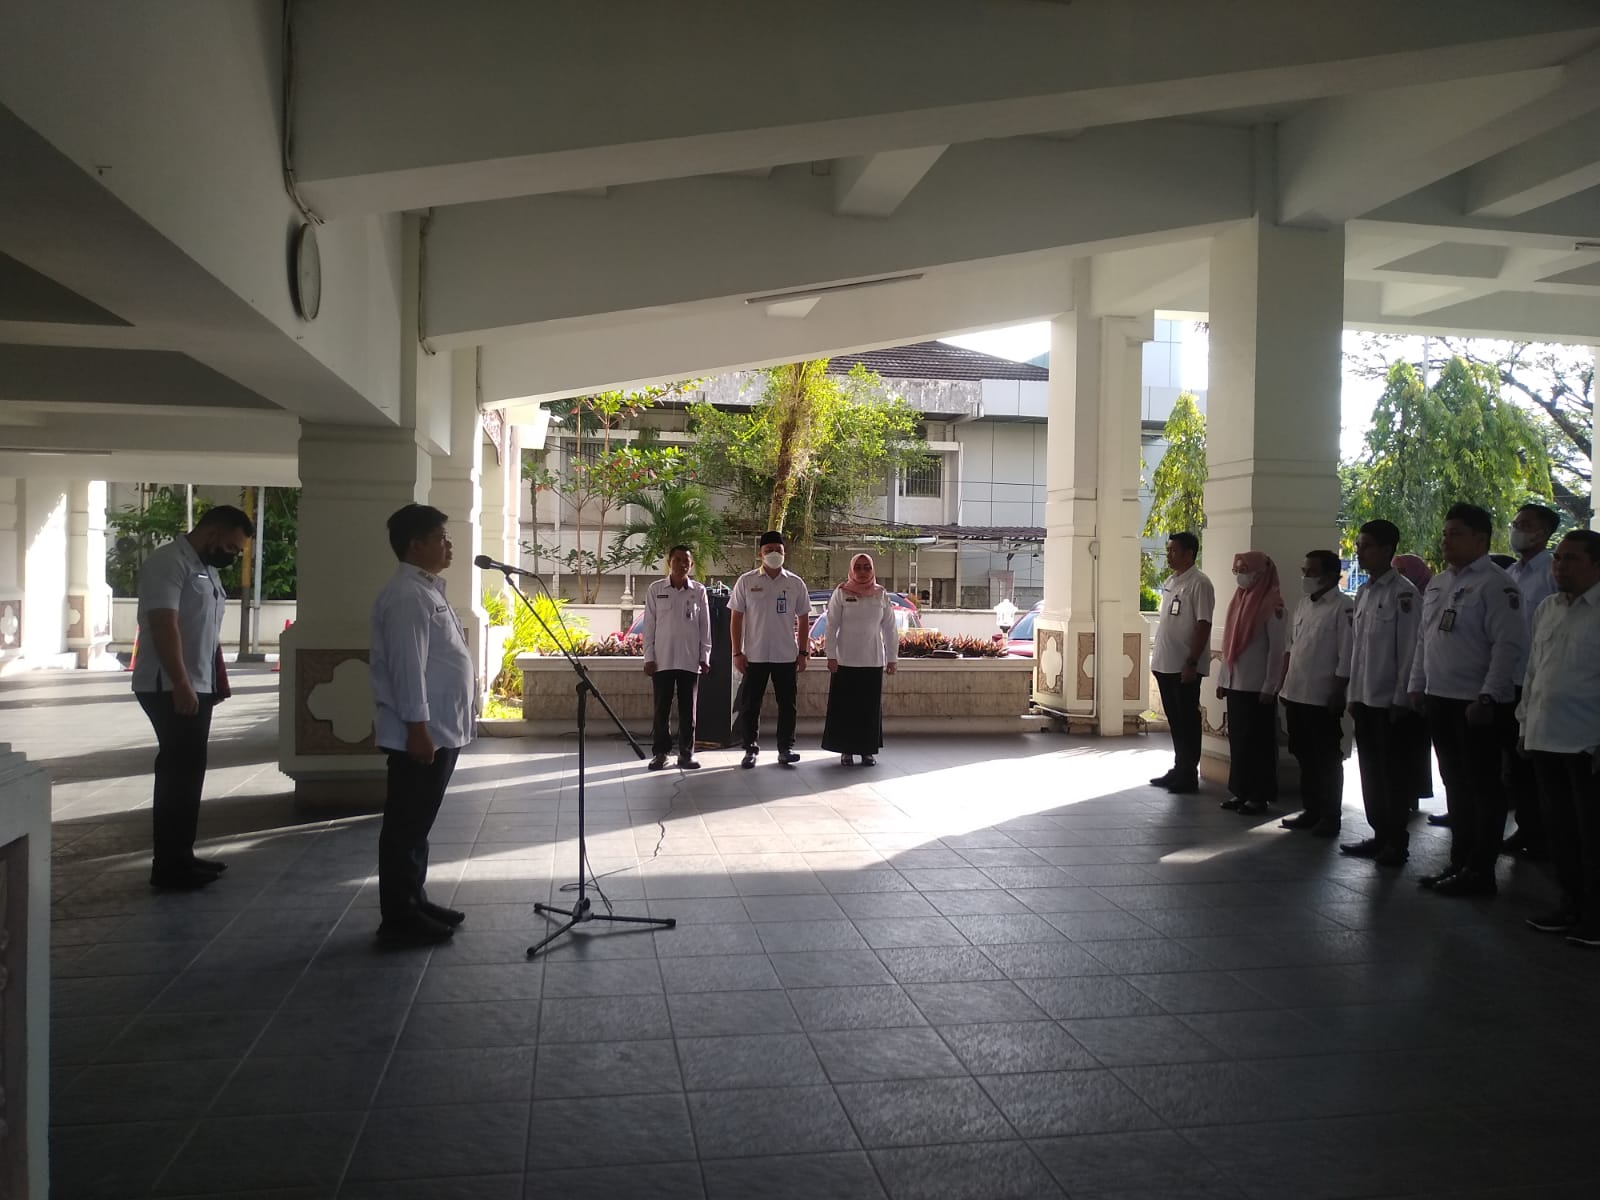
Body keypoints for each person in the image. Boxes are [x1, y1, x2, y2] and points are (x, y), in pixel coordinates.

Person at [370, 504, 477, 947]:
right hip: (420, 733)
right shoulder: (406, 596)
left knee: (418, 825)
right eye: (441, 538)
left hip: (438, 729)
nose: (449, 545)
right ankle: (399, 918)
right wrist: (417, 728)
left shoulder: (426, 589)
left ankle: (415, 900)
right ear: (416, 544)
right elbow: (407, 668)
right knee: (406, 826)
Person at [1407, 502, 1528, 898]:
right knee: (1455, 784)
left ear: (1480, 539)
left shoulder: (1496, 584)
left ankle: (1480, 869)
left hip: (1476, 703)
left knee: (1483, 787)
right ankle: (1459, 861)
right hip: (1440, 697)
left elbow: (1507, 647)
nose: (1446, 541)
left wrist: (1488, 696)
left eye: (1455, 534)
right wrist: (1417, 684)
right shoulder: (1440, 583)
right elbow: (1425, 639)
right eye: (1445, 534)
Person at [132, 504, 255, 889]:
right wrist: (182, 682)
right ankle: (168, 867)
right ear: (212, 533)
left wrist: (208, 682)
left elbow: (204, 631)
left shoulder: (205, 568)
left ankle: (181, 856)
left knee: (189, 772)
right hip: (169, 685)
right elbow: (163, 625)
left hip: (195, 683)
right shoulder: (169, 562)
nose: (232, 555)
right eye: (231, 547)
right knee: (177, 773)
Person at [1516, 530, 1600, 945]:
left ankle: (1595, 917)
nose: (1560, 567)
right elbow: (1534, 671)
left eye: (1572, 559)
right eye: (1558, 558)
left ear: (1596, 565)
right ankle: (1570, 905)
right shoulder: (1548, 608)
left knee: (1592, 835)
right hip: (1545, 736)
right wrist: (1524, 724)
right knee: (1560, 831)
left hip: (1587, 742)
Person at [1340, 520, 1423, 866]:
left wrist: (1402, 698)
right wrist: (1353, 694)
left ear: (1387, 550)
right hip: (1365, 696)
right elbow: (1358, 649)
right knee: (1371, 771)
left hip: (1390, 700)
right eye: (1359, 545)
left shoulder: (1404, 594)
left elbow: (1410, 649)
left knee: (1393, 774)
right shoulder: (1364, 592)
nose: (1359, 552)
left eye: (1367, 545)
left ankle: (1396, 840)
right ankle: (1379, 833)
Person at [1279, 550, 1353, 837]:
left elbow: (1346, 653)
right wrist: (1285, 685)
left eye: (1311, 571)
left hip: (1322, 696)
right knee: (1303, 753)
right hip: (1297, 692)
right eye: (1304, 570)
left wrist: (1338, 691)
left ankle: (1330, 815)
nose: (1305, 576)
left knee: (1326, 758)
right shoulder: (1303, 605)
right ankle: (1311, 809)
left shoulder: (1342, 608)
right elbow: (1293, 647)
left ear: (1331, 576)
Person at [1502, 502, 1560, 858]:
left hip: (1537, 681)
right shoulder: (1510, 574)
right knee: (1515, 765)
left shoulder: (1552, 573)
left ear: (1542, 533)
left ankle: (1544, 835)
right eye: (1516, 523)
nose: (1516, 529)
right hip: (1509, 680)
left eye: (1524, 525)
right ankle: (1526, 828)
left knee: (1537, 765)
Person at [729, 530, 810, 768]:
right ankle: (750, 749)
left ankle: (786, 748)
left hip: (786, 655)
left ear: (784, 553)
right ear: (760, 554)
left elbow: (804, 619)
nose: (774, 554)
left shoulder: (795, 583)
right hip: (754, 655)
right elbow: (736, 618)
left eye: (778, 550)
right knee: (750, 705)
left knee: (788, 705)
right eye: (769, 550)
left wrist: (803, 652)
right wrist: (737, 652)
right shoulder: (746, 581)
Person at [1216, 551, 1288, 816]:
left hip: (1258, 688)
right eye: (1237, 570)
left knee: (1259, 744)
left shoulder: (1273, 606)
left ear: (1260, 574)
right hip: (1237, 684)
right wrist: (1224, 679)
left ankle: (1259, 795)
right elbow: (1229, 646)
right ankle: (1241, 791)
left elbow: (1277, 650)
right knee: (1239, 741)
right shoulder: (1239, 600)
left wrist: (1270, 686)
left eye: (1244, 570)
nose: (1239, 576)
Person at [1149, 531, 1215, 795]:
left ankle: (1189, 773)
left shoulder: (1200, 583)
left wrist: (1192, 661)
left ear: (1189, 554)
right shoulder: (1171, 581)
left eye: (1173, 551)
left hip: (1184, 665)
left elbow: (1203, 623)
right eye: (1168, 550)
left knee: (1187, 720)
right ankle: (1179, 766)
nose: (1168, 555)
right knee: (1175, 720)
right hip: (1165, 662)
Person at [822, 553, 899, 766]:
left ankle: (867, 751)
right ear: (851, 570)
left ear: (873, 570)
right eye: (858, 567)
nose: (863, 572)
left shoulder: (881, 594)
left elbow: (890, 628)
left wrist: (892, 658)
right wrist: (831, 655)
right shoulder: (841, 592)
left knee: (868, 709)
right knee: (845, 708)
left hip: (872, 661)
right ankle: (846, 750)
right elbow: (831, 626)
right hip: (845, 661)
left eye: (867, 567)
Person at [642, 545, 712, 771]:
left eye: (686, 561)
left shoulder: (698, 591)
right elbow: (649, 626)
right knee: (661, 709)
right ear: (669, 562)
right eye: (677, 559)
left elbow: (705, 627)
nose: (682, 564)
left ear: (691, 565)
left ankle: (686, 754)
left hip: (689, 660)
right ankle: (660, 753)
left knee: (688, 711)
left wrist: (705, 656)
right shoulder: (655, 589)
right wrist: (648, 657)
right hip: (661, 660)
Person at [1394, 553, 1443, 823]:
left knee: (1415, 743)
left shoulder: (1424, 597)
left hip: (1421, 682)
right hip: (1409, 682)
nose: (1400, 575)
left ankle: (1413, 791)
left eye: (1403, 570)